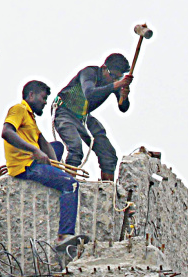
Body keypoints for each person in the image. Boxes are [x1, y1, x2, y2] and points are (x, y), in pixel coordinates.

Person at [1, 80, 84, 249]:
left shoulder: (30, 117)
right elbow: (6, 132)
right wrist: (35, 151)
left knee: (57, 147)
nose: (45, 102)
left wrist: (57, 167)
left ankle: (55, 171)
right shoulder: (19, 109)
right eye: (43, 97)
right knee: (71, 184)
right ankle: (64, 235)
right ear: (31, 95)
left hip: (33, 160)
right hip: (27, 166)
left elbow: (44, 144)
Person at [53, 53, 133, 181]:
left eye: (118, 77)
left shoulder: (114, 83)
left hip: (84, 117)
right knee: (75, 148)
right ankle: (68, 185)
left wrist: (124, 95)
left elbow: (123, 107)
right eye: (112, 76)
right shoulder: (89, 73)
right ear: (104, 68)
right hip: (65, 112)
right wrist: (116, 85)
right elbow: (89, 93)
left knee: (108, 154)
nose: (114, 80)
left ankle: (107, 191)